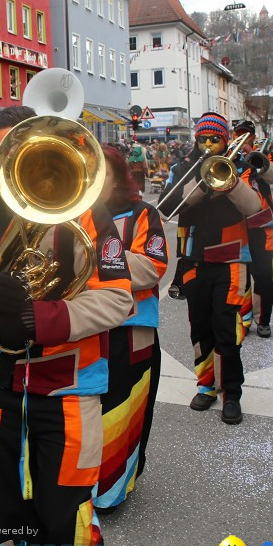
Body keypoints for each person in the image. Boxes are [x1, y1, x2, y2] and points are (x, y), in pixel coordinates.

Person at [0, 105, 133, 546]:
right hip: (2, 383)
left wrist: (38, 321)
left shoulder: (91, 215)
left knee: (66, 496)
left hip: (70, 386)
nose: (10, 159)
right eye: (2, 150)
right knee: (7, 497)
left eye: (20, 149)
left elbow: (118, 300)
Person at [158, 112, 262, 425]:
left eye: (214, 138)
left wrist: (228, 181)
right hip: (194, 260)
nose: (208, 144)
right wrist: (201, 183)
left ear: (225, 140)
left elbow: (254, 208)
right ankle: (206, 387)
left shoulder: (238, 165)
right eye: (203, 138)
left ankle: (232, 394)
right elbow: (165, 207)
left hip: (230, 261)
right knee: (200, 328)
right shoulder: (182, 166)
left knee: (227, 330)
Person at [93, 147, 168, 512]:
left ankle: (112, 489)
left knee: (124, 406)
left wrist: (96, 257)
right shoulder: (68, 213)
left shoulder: (141, 213)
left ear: (117, 178)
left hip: (131, 327)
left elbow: (152, 267)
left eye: (100, 174)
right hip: (84, 325)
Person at [234, 122, 273, 339]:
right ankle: (244, 319)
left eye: (246, 137)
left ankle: (263, 320)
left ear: (253, 137)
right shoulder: (230, 156)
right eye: (238, 136)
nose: (242, 141)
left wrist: (258, 161)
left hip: (262, 225)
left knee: (265, 275)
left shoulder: (263, 153)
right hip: (236, 226)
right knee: (240, 277)